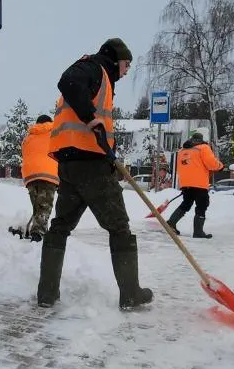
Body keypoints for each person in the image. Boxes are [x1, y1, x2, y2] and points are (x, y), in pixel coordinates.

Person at [37, 37, 153, 310]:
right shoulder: (93, 68)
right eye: (126, 65)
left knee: (60, 227)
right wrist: (92, 118)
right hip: (90, 165)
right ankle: (130, 294)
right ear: (115, 59)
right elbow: (67, 80)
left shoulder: (98, 79)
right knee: (119, 227)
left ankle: (46, 293)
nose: (126, 72)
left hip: (69, 164)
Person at [165, 133, 224, 238]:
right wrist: (220, 166)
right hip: (199, 183)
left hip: (185, 183)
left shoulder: (182, 150)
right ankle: (198, 232)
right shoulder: (203, 148)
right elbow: (211, 163)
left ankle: (171, 223)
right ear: (201, 139)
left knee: (186, 203)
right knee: (202, 205)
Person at [17, 114, 59, 242]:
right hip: (48, 174)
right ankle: (38, 234)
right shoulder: (55, 133)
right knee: (44, 206)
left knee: (37, 205)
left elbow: (25, 154)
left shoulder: (28, 138)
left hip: (30, 175)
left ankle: (36, 229)